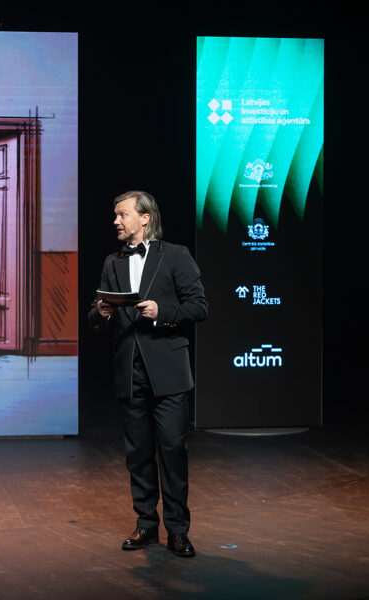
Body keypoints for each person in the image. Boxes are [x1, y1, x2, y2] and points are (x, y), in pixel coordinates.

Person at [89, 190, 208, 557]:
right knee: (138, 454)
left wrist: (163, 311)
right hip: (130, 371)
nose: (116, 221)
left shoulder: (175, 255)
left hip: (168, 371)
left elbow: (199, 307)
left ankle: (178, 530)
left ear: (145, 218)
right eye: (115, 215)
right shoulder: (112, 262)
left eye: (122, 214)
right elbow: (94, 316)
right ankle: (146, 525)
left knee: (172, 451)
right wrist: (101, 312)